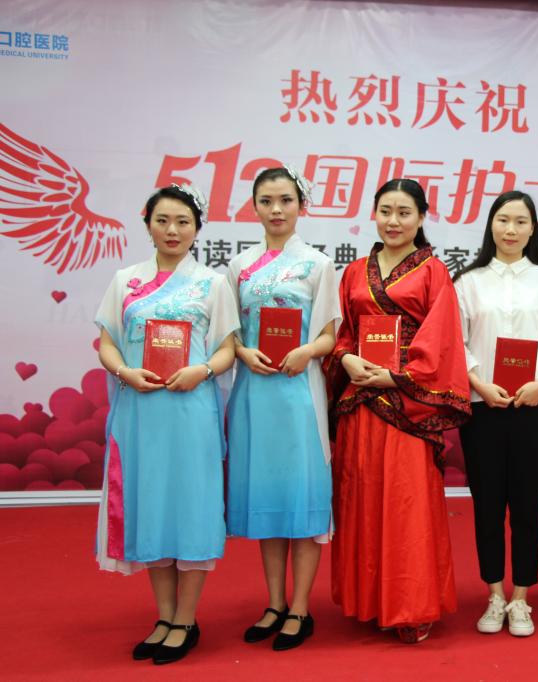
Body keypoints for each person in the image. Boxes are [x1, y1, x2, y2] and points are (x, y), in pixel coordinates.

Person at [95, 185, 238, 665]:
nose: (172, 230)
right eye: (163, 221)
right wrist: (124, 372)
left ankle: (186, 619)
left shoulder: (212, 284)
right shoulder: (125, 280)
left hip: (191, 409)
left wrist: (204, 370)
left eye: (183, 222)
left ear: (197, 228)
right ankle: (164, 615)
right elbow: (107, 343)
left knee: (191, 506)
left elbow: (226, 349)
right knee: (152, 505)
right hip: (141, 411)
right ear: (148, 224)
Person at [325, 178, 471, 644]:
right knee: (363, 500)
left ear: (421, 218)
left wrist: (397, 376)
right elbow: (343, 332)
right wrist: (346, 359)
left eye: (404, 212)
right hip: (360, 404)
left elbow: (441, 340)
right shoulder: (354, 272)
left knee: (406, 505)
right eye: (385, 211)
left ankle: (410, 606)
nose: (393, 221)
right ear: (374, 213)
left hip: (407, 405)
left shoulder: (433, 271)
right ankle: (370, 600)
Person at [226, 166, 340, 650]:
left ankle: (300, 607)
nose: (276, 210)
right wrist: (242, 352)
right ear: (254, 206)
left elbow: (330, 335)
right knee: (268, 501)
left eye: (286, 200)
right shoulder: (238, 266)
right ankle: (274, 603)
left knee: (303, 499)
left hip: (300, 394)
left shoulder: (318, 264)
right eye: (267, 201)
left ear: (301, 205)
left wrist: (307, 351)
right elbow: (228, 334)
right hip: (255, 393)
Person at [453, 191, 538, 637]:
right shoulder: (469, 281)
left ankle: (521, 597)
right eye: (503, 220)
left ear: (532, 229)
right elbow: (457, 342)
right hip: (483, 406)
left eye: (521, 222)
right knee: (486, 505)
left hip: (533, 407)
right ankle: (494, 595)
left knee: (526, 506)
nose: (511, 229)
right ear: (491, 225)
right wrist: (478, 383)